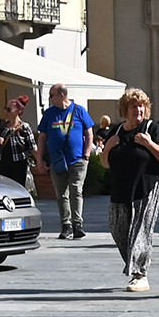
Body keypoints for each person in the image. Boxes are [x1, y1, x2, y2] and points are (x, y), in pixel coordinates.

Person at [101, 89, 159, 292]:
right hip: (121, 188)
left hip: (147, 187)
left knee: (140, 231)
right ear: (125, 109)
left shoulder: (152, 128)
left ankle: (140, 274)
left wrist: (149, 144)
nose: (138, 110)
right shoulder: (116, 132)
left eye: (141, 106)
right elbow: (105, 163)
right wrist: (107, 148)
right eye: (134, 106)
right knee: (118, 229)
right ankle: (134, 267)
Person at [37, 84, 96, 240]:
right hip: (57, 159)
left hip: (77, 159)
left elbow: (89, 133)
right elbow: (42, 137)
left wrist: (87, 155)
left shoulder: (79, 110)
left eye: (51, 95)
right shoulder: (49, 114)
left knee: (76, 190)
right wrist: (40, 159)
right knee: (61, 193)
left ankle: (78, 224)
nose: (49, 98)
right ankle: (66, 225)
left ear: (62, 95)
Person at [0, 96, 36, 187]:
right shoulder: (2, 126)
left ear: (18, 111)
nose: (6, 112)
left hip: (19, 164)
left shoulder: (24, 127)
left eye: (9, 109)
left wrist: (40, 161)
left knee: (18, 188)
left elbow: (32, 147)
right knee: (4, 188)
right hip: (3, 163)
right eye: (6, 109)